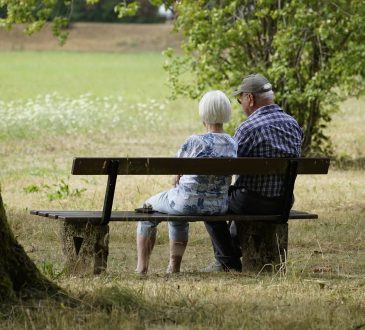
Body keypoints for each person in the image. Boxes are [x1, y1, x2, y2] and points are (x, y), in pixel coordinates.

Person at [203, 73, 303, 272]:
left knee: (209, 202)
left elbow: (228, 165)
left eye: (240, 100)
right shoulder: (293, 124)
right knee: (237, 197)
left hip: (251, 201)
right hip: (283, 202)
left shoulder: (248, 128)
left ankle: (227, 260)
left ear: (250, 98)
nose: (241, 105)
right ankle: (232, 252)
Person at [136, 90, 238, 275]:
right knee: (176, 211)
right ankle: (173, 267)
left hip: (186, 203)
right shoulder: (233, 143)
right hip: (218, 207)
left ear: (203, 113)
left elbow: (176, 176)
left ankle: (142, 268)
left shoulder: (194, 141)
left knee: (147, 209)